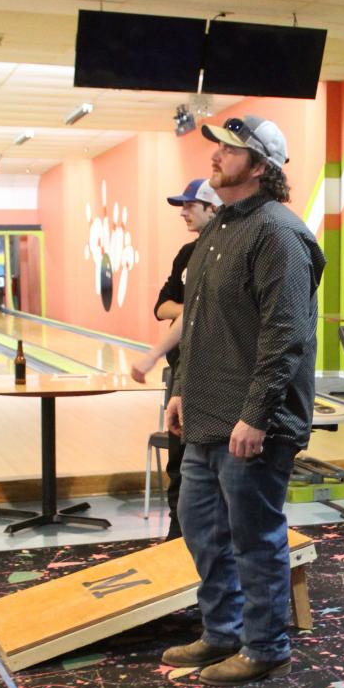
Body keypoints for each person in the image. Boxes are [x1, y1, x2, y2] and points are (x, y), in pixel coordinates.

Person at [161, 115, 325, 686]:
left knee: (253, 536)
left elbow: (288, 335)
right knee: (200, 526)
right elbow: (198, 323)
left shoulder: (279, 234)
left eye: (230, 150)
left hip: (252, 422)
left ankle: (265, 645)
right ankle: (222, 632)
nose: (216, 156)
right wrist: (181, 389)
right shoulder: (218, 229)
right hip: (207, 413)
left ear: (260, 166)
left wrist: (257, 414)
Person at [131, 177, 221, 540]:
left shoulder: (231, 252)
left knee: (207, 468)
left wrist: (192, 313)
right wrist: (196, 311)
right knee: (179, 463)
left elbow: (189, 312)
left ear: (213, 207)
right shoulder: (188, 254)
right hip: (181, 373)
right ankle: (176, 539)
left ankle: (205, 547)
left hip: (216, 376)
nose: (183, 212)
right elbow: (161, 307)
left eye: (189, 205)